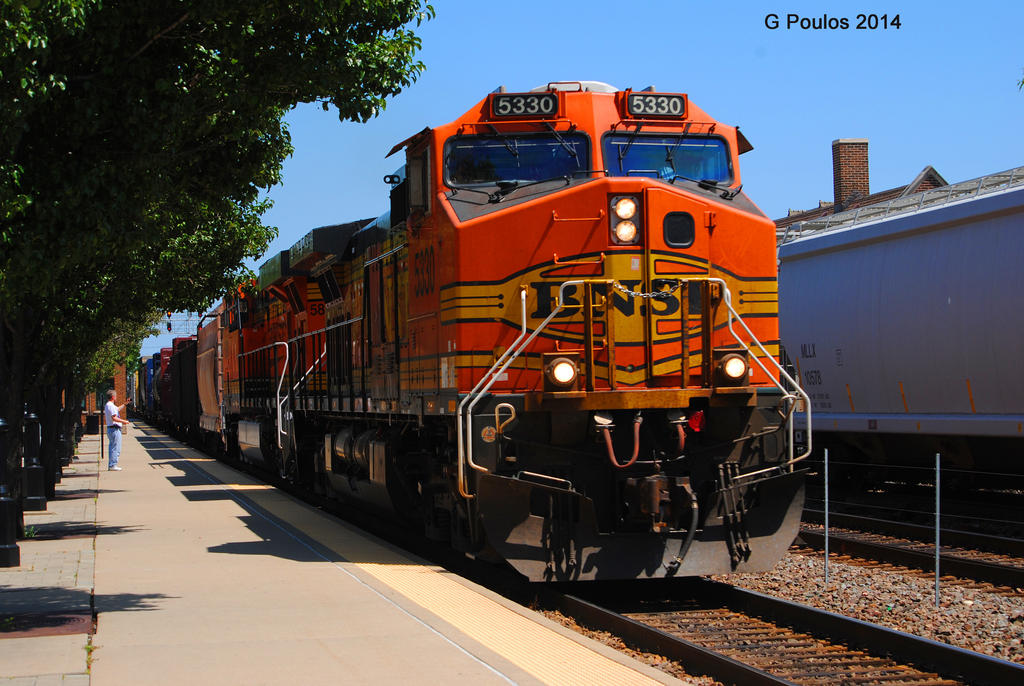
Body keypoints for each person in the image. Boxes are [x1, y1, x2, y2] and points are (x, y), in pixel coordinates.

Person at [103, 389, 130, 471]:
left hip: (111, 429)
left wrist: (125, 404)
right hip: (114, 429)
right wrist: (124, 421)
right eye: (116, 396)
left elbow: (117, 409)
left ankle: (112, 464)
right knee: (116, 448)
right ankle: (113, 465)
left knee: (113, 447)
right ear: (113, 397)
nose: (117, 397)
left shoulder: (109, 405)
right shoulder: (110, 406)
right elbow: (114, 418)